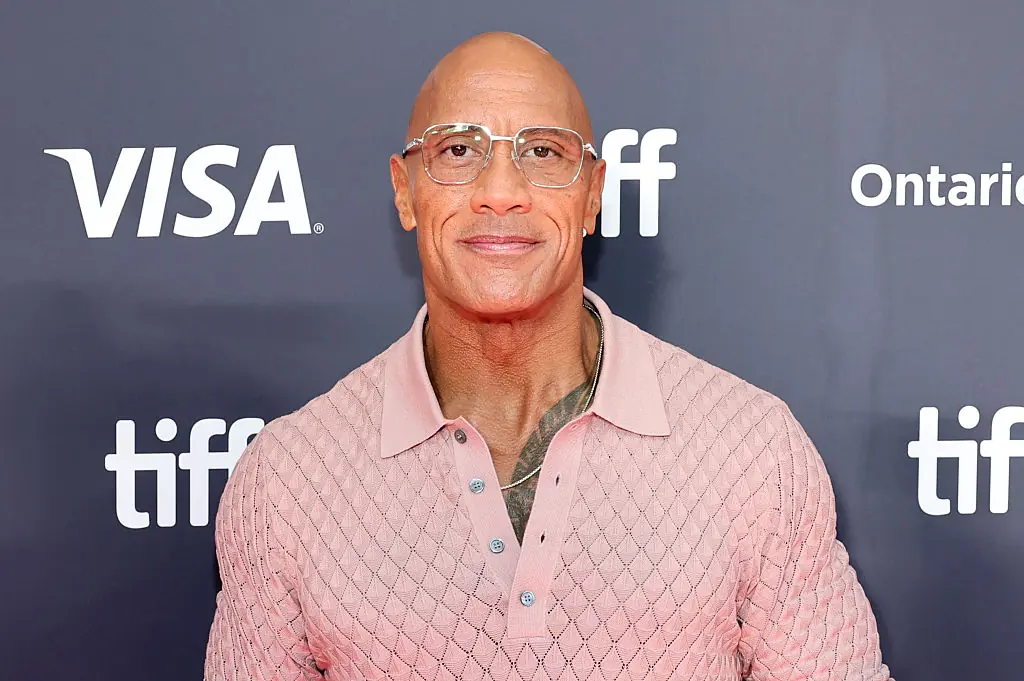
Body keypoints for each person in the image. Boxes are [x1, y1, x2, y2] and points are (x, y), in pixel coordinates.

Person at [204, 32, 892, 681]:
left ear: (592, 194)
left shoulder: (752, 448)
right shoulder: (286, 479)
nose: (500, 190)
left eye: (542, 152)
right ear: (404, 190)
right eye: (457, 150)